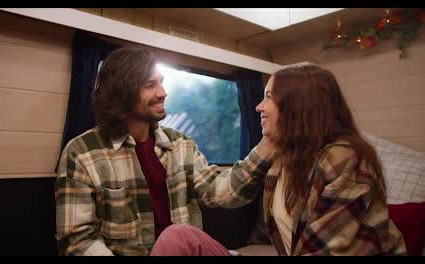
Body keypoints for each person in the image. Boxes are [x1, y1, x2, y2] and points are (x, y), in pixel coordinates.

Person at [150, 63, 407, 256]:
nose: (258, 107)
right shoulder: (281, 161)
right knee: (178, 237)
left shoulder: (345, 158)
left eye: (269, 97)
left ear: (299, 105)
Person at [54, 46, 273, 256]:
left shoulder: (180, 145)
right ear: (123, 93)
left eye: (162, 83)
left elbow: (221, 192)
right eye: (150, 85)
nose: (163, 92)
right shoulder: (81, 153)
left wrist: (265, 148)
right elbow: (79, 241)